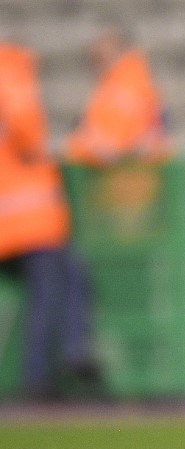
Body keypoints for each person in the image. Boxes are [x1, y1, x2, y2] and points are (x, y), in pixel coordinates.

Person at [0, 41, 98, 400]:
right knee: (49, 291)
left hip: (17, 221)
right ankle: (39, 377)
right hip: (24, 221)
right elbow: (27, 133)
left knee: (72, 274)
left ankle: (74, 352)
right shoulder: (11, 75)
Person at [65, 25, 168, 165]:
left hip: (127, 173)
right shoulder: (112, 85)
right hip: (119, 171)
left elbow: (152, 135)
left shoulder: (129, 85)